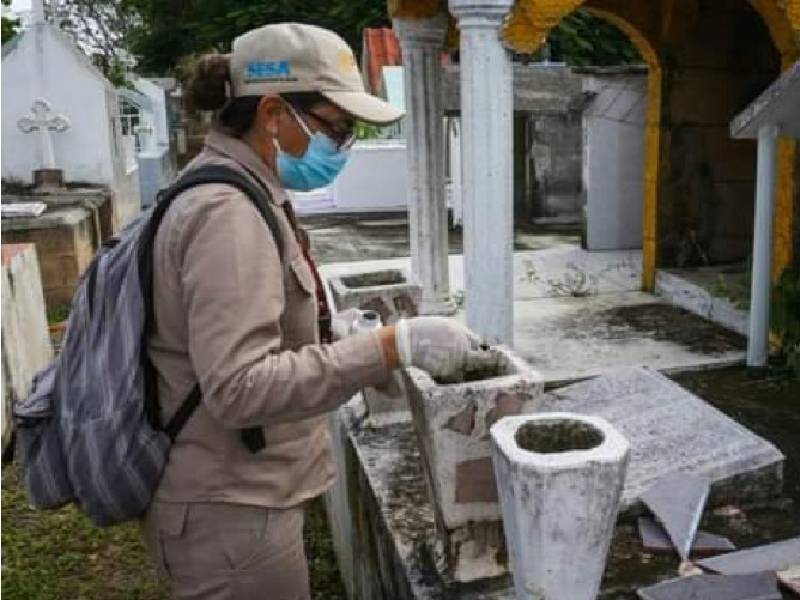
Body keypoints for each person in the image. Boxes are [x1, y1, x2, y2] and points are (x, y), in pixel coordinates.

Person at [141, 22, 491, 600]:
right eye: (336, 127)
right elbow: (239, 388)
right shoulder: (227, 213)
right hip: (229, 513)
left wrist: (332, 336)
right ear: (273, 114)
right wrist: (391, 347)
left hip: (238, 497)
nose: (343, 146)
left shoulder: (245, 189)